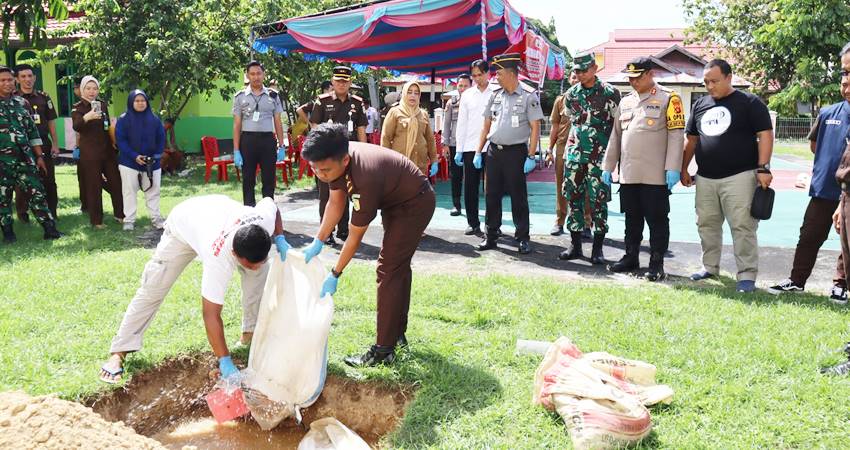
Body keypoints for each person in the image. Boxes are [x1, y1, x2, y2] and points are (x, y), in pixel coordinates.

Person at [99, 194, 290, 383]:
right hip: (184, 224)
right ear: (234, 254)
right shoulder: (218, 257)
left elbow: (271, 204)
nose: (255, 266)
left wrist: (280, 237)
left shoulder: (263, 221)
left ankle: (249, 334)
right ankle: (119, 352)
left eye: (261, 260)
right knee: (154, 287)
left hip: (218, 211)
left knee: (258, 276)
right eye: (249, 264)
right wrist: (224, 360)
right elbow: (211, 314)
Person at [299, 123, 435, 366]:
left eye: (325, 170)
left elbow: (354, 235)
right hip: (395, 201)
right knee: (397, 268)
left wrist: (335, 273)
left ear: (345, 160)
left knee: (388, 269)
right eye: (315, 169)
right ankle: (396, 335)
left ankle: (384, 350)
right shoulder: (335, 160)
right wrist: (317, 241)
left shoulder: (365, 177)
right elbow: (335, 203)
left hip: (415, 203)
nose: (320, 175)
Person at [681, 59, 774, 293]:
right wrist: (684, 168)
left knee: (743, 226)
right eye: (706, 82)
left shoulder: (750, 103)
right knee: (706, 224)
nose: (710, 86)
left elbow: (765, 135)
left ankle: (746, 275)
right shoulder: (700, 105)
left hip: (740, 176)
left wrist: (763, 167)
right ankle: (709, 267)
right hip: (705, 178)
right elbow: (691, 140)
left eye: (714, 81)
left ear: (729, 78)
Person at [768, 45, 850, 300]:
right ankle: (796, 280)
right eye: (843, 79)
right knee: (809, 235)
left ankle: (840, 284)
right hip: (824, 189)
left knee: (845, 243)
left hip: (847, 193)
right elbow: (815, 146)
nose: (845, 85)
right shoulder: (828, 113)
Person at [603, 57, 685, 281]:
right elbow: (616, 136)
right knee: (632, 218)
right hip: (629, 174)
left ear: (650, 74)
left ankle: (656, 263)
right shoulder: (626, 101)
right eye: (630, 78)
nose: (633, 82)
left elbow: (676, 135)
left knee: (657, 220)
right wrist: (608, 167)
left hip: (655, 175)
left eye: (637, 77)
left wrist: (673, 167)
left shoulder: (669, 99)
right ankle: (631, 256)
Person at [474, 53, 544, 255]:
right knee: (491, 195)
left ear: (511, 74)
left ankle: (522, 238)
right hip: (494, 152)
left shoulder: (528, 97)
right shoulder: (495, 95)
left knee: (518, 197)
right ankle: (491, 235)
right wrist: (479, 151)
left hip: (516, 153)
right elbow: (486, 125)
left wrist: (531, 156)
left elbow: (535, 127)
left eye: (499, 73)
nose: (496, 77)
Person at [558, 52, 621, 264]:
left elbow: (616, 127)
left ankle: (598, 249)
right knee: (573, 198)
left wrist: (614, 159)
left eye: (584, 70)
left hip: (599, 157)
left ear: (594, 68)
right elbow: (571, 120)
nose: (581, 75)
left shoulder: (610, 93)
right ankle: (575, 246)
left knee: (599, 201)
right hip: (575, 155)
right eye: (577, 71)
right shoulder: (572, 94)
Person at [0, 65, 63, 243]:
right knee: (3, 199)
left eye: (9, 80)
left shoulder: (22, 103)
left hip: (25, 159)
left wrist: (40, 156)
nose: (7, 83)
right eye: (2, 80)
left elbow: (32, 133)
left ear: (14, 81)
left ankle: (50, 230)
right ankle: (8, 233)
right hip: (2, 163)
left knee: (37, 193)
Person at [309, 66, 367, 246]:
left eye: (345, 81)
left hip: (348, 155)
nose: (342, 84)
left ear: (350, 83)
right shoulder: (322, 101)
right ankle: (326, 232)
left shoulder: (357, 103)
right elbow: (314, 126)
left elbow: (361, 130)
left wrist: (363, 154)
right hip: (328, 156)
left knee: (348, 192)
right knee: (326, 195)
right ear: (333, 82)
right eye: (338, 81)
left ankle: (343, 230)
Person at [71, 75, 124, 228]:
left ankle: (120, 214)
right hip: (90, 153)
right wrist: (87, 117)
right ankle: (96, 221)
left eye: (94, 88)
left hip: (107, 151)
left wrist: (114, 142)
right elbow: (76, 126)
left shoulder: (102, 104)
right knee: (94, 186)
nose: (91, 92)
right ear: (82, 90)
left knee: (116, 182)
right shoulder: (78, 107)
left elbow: (107, 125)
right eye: (88, 88)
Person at [232, 61, 287, 207]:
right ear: (247, 76)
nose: (256, 77)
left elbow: (278, 122)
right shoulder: (240, 96)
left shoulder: (273, 95)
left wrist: (282, 145)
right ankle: (249, 213)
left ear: (264, 75)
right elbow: (237, 125)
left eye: (259, 73)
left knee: (269, 179)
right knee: (248, 179)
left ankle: (268, 211)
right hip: (248, 141)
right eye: (252, 74)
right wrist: (236, 150)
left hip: (267, 141)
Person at [13, 64, 59, 221]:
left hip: (44, 143)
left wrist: (55, 143)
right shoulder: (12, 98)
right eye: (23, 77)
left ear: (35, 77)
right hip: (21, 146)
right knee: (21, 183)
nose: (27, 79)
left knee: (49, 180)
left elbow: (51, 121)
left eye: (30, 76)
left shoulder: (43, 97)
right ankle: (23, 215)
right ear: (17, 79)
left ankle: (52, 213)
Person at [115, 89, 166, 231]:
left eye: (143, 100)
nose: (140, 103)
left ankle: (156, 219)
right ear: (131, 102)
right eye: (137, 101)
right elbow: (121, 141)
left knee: (153, 191)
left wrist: (156, 156)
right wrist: (134, 156)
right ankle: (129, 220)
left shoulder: (154, 119)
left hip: (152, 163)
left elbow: (161, 138)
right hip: (129, 163)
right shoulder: (123, 119)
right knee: (129, 191)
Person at [455, 59, 494, 236]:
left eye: (480, 74)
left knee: (493, 188)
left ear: (488, 73)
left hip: (492, 146)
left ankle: (493, 225)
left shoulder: (497, 91)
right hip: (471, 146)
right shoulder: (467, 95)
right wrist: (459, 149)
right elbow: (462, 123)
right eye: (474, 75)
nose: (477, 78)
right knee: (470, 187)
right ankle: (473, 222)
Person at [381, 80, 439, 177]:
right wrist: (386, 161)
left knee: (418, 191)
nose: (413, 95)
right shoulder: (395, 112)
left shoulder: (423, 114)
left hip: (420, 164)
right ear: (404, 94)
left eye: (416, 93)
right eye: (409, 92)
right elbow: (386, 138)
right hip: (399, 164)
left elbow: (430, 139)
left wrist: (434, 160)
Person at [547, 72, 578, 236]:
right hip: (562, 148)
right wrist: (549, 149)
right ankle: (559, 222)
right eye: (573, 76)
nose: (576, 79)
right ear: (569, 80)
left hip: (583, 149)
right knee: (561, 185)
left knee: (584, 186)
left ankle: (586, 223)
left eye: (579, 75)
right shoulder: (560, 100)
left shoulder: (590, 99)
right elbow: (555, 127)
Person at [442, 74, 472, 216]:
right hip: (455, 145)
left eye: (466, 85)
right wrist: (445, 144)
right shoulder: (451, 103)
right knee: (456, 176)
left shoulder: (476, 102)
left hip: (471, 145)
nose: (463, 88)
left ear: (471, 86)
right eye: (460, 85)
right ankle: (456, 205)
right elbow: (446, 124)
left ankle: (471, 205)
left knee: (472, 177)